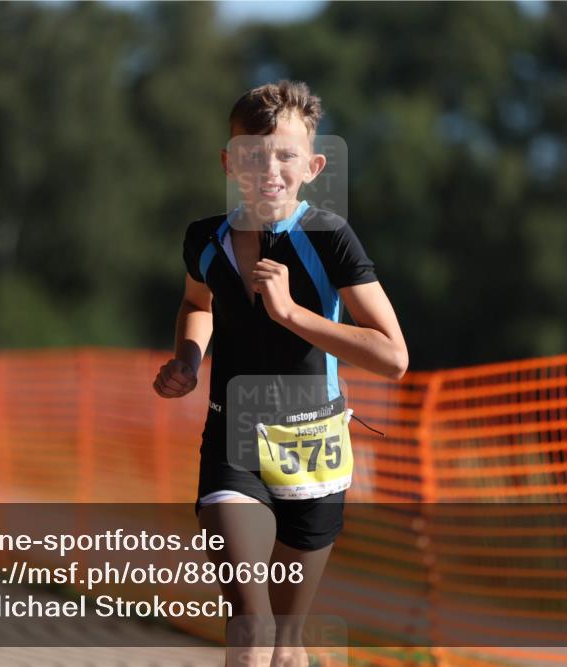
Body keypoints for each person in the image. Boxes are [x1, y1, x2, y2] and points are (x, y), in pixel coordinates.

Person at [153, 80, 408, 667]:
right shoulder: (204, 239)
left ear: (312, 167)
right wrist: (188, 359)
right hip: (233, 442)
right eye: (253, 155)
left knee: (287, 646)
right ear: (229, 163)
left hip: (315, 450)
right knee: (252, 625)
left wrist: (291, 313)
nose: (269, 169)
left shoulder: (329, 238)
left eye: (286, 155)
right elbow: (196, 303)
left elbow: (393, 356)